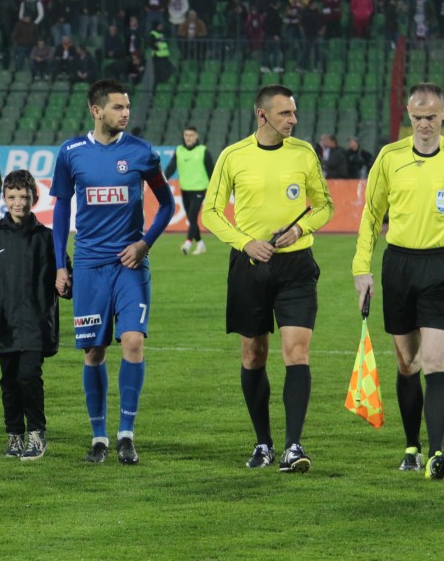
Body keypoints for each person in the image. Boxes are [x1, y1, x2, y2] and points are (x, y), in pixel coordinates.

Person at [201, 84, 334, 473]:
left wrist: (301, 228)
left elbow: (325, 205)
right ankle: (263, 444)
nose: (293, 120)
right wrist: (246, 243)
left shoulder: (304, 152)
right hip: (250, 266)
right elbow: (210, 212)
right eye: (285, 114)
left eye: (293, 113)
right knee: (253, 355)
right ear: (262, 115)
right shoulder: (233, 156)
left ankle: (293, 446)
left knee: (297, 352)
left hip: (297, 267)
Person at [50, 78, 175, 465]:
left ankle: (126, 435)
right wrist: (60, 265)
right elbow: (60, 211)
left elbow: (168, 205)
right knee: (94, 352)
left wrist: (144, 244)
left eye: (127, 106)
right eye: (118, 107)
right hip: (89, 265)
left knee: (133, 342)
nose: (125, 113)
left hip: (130, 264)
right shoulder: (71, 153)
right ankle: (99, 437)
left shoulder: (141, 152)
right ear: (96, 110)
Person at [352, 83, 444, 477]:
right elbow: (372, 217)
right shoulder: (390, 158)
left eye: (431, 117)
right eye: (418, 117)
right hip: (399, 267)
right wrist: (361, 269)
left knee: (435, 362)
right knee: (408, 363)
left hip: (439, 266)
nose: (424, 124)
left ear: (443, 115)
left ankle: (438, 454)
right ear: (409, 114)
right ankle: (412, 447)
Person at [0, 169, 66, 461]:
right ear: (4, 198)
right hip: (4, 322)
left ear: (34, 198)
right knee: (9, 381)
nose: (18, 203)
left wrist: (66, 284)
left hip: (37, 322)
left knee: (29, 376)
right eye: (12, 197)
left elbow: (64, 275)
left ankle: (36, 433)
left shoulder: (48, 237)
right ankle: (14, 435)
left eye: (24, 197)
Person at [164, 125, 214, 255]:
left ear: (196, 136)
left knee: (192, 217)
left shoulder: (203, 151)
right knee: (192, 220)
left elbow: (212, 172)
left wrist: (215, 190)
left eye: (191, 135)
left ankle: (187, 243)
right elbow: (171, 167)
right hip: (185, 190)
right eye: (186, 135)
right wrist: (163, 179)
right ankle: (201, 244)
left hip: (199, 190)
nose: (188, 138)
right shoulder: (179, 150)